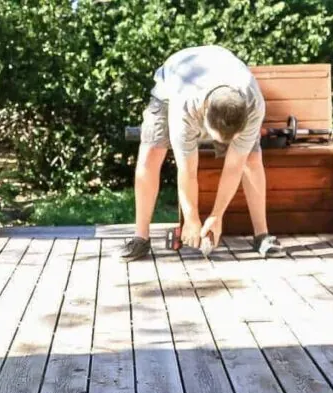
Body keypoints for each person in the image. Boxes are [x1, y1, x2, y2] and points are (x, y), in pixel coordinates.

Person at [121, 45, 283, 261]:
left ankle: (262, 235)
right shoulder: (184, 107)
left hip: (219, 76)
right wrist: (191, 217)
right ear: (204, 116)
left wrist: (217, 215)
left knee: (251, 158)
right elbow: (187, 170)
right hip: (174, 84)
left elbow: (234, 165)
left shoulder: (253, 103)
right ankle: (140, 238)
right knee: (151, 151)